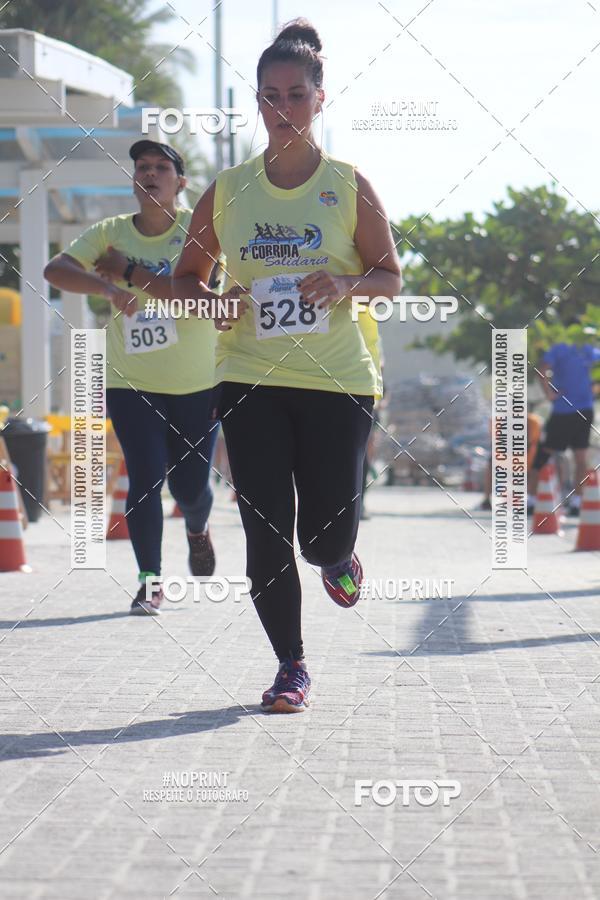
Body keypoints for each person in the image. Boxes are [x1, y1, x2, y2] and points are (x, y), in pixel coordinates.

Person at [173, 19, 401, 712]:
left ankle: (337, 560)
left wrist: (344, 284)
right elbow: (187, 277)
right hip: (249, 379)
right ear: (258, 100)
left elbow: (390, 275)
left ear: (320, 99)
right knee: (265, 526)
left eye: (296, 94)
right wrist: (215, 299)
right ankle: (290, 667)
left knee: (323, 532)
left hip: (337, 380)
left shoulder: (347, 184)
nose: (282, 109)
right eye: (270, 95)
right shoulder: (228, 190)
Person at [44, 140, 229, 615]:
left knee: (190, 487)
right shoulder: (109, 232)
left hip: (197, 382)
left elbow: (198, 297)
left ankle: (196, 527)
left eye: (161, 168)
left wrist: (134, 274)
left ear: (180, 183)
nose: (149, 175)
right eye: (141, 168)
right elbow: (55, 269)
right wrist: (107, 286)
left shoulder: (199, 230)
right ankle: (150, 580)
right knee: (144, 479)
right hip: (131, 382)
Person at [530, 336, 600, 516]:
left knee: (546, 453)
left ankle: (533, 499)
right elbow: (542, 369)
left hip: (568, 410)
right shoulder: (585, 347)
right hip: (578, 410)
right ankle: (576, 500)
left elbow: (541, 369)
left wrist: (548, 393)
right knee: (579, 457)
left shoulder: (562, 346)